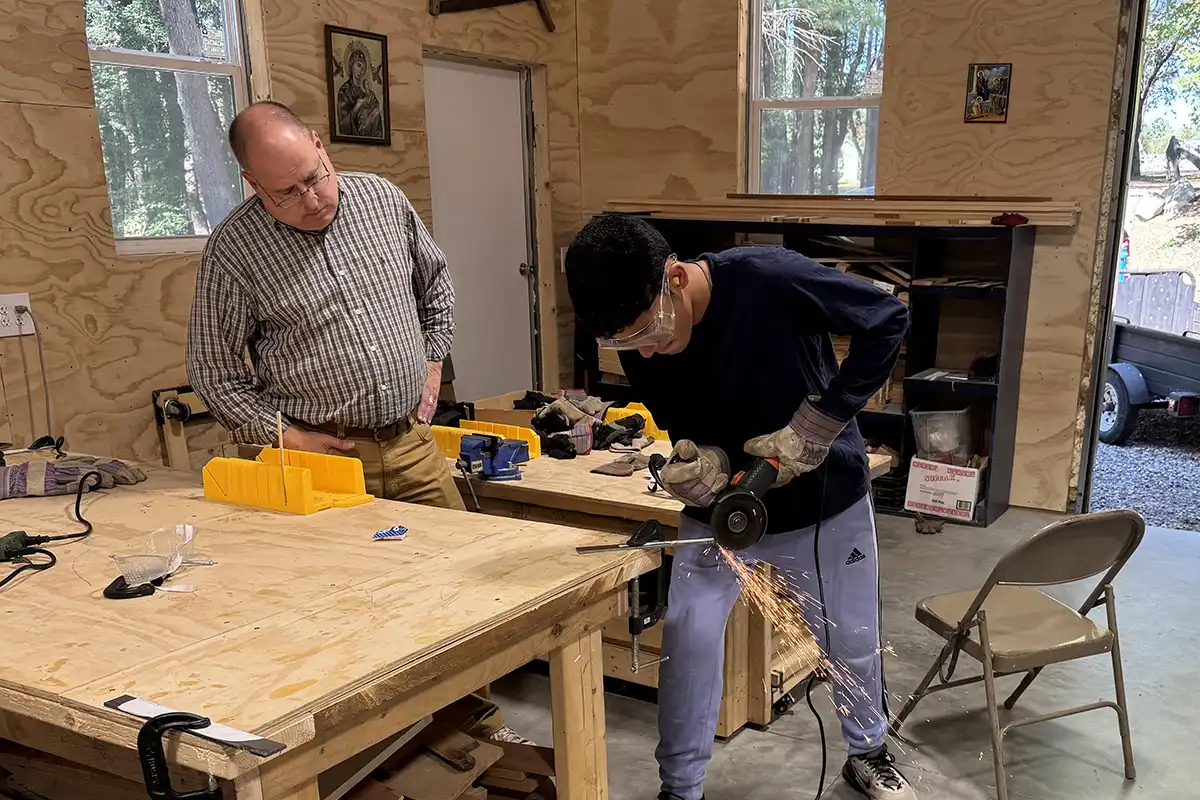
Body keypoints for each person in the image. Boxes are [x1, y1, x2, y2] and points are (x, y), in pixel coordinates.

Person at [564, 214, 914, 800]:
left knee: (849, 635)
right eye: (625, 344)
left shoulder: (768, 278)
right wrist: (702, 465)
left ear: (674, 278)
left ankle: (868, 750)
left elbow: (888, 320)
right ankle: (679, 787)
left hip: (823, 493)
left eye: (647, 331)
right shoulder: (636, 328)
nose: (643, 354)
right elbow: (680, 414)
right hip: (727, 507)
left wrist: (819, 423)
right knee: (689, 637)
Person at [187, 100, 464, 510]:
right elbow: (213, 372)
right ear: (253, 182)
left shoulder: (383, 201)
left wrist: (432, 361)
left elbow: (435, 283)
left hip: (413, 444)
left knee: (461, 565)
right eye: (286, 193)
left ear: (319, 146)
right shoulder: (234, 250)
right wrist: (288, 437)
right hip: (319, 461)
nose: (312, 201)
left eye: (314, 178)